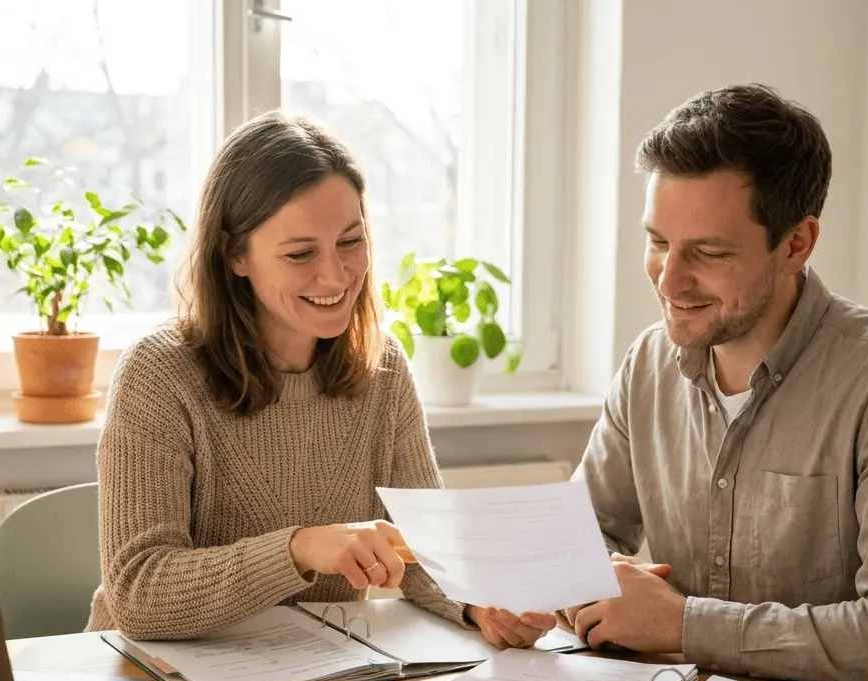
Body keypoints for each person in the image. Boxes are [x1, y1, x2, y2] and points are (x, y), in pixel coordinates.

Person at [567, 84, 868, 681]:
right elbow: (577, 535)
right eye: (657, 242)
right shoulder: (648, 365)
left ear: (796, 244)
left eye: (707, 252)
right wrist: (577, 588)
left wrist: (682, 625)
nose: (668, 279)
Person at [84, 111, 555, 649]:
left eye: (350, 242)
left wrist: (479, 604)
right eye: (300, 253)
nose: (335, 276)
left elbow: (422, 549)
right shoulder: (159, 375)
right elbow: (138, 593)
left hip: (311, 671)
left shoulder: (382, 368)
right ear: (235, 255)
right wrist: (300, 549)